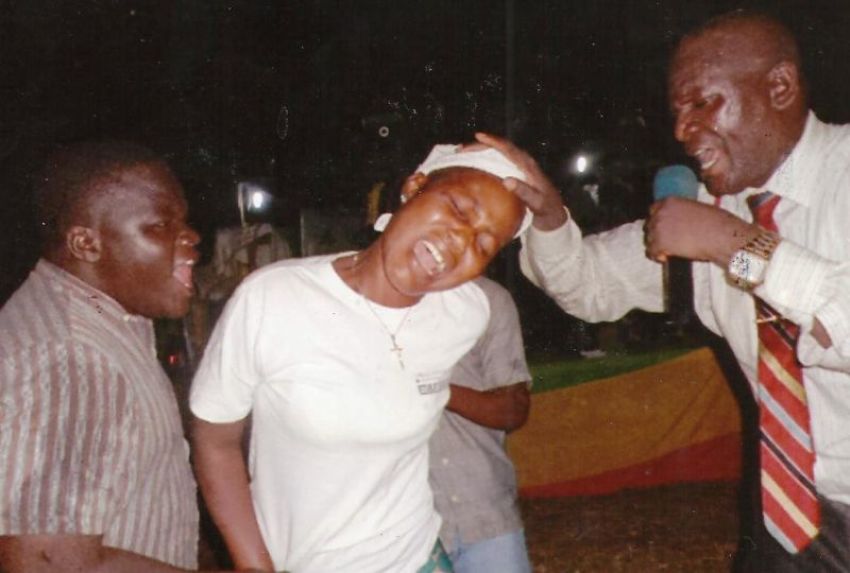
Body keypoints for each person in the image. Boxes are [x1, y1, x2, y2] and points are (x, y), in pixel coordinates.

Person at [477, 9, 850, 573]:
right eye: (677, 111)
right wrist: (551, 217)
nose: (681, 131)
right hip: (790, 509)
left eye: (702, 103)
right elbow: (588, 285)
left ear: (779, 86)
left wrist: (736, 246)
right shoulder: (711, 212)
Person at [189, 144, 532, 573]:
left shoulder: (465, 312)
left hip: (417, 560)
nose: (462, 240)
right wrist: (253, 565)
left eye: (485, 243)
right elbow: (213, 439)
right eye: (460, 208)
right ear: (414, 187)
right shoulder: (275, 298)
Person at [0, 141, 232, 572]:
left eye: (184, 221)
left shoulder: (109, 321)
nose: (192, 237)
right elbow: (45, 561)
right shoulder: (71, 358)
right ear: (86, 243)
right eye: (161, 225)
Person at [429, 275, 532, 573]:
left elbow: (514, 410)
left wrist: (432, 387)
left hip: (482, 513)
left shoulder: (486, 298)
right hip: (402, 524)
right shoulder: (363, 305)